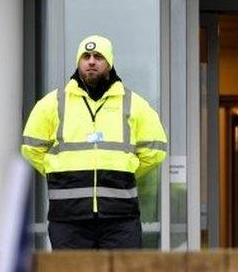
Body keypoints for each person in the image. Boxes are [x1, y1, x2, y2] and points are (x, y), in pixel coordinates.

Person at [21, 35, 167, 249]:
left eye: (98, 57)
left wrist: (125, 169)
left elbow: (156, 150)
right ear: (78, 62)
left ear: (109, 62)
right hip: (68, 217)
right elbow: (31, 148)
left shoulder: (134, 104)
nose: (91, 61)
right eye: (86, 56)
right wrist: (58, 171)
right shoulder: (52, 103)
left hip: (120, 217)